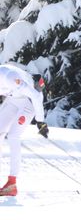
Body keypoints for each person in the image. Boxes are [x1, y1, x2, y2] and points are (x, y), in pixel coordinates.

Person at [0, 64, 48, 197]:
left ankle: (12, 183)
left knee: (13, 136)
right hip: (14, 99)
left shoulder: (9, 77)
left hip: (29, 101)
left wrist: (40, 121)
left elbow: (36, 96)